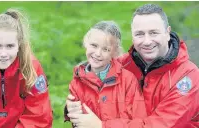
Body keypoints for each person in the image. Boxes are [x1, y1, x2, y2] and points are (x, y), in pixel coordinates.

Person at [67, 3, 199, 128]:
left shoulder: (188, 76)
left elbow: (162, 125)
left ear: (167, 33)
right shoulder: (122, 65)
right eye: (139, 34)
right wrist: (74, 106)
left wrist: (102, 126)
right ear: (132, 36)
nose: (147, 41)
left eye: (153, 33)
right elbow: (93, 87)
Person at [64, 21, 147, 128]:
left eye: (106, 49)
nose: (98, 53)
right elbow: (78, 122)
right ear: (86, 43)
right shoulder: (77, 82)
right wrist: (71, 110)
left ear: (115, 52)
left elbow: (140, 122)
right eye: (94, 45)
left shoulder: (128, 80)